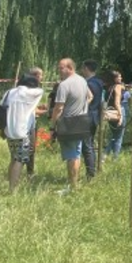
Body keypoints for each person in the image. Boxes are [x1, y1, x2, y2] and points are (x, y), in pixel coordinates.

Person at [50, 58, 91, 191]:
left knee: (71, 155)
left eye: (61, 68)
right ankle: (74, 183)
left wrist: (52, 126)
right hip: (81, 121)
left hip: (68, 123)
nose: (59, 70)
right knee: (77, 153)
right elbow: (89, 96)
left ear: (70, 68)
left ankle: (72, 186)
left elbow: (58, 108)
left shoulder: (64, 85)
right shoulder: (82, 80)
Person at [3, 68, 44, 191]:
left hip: (9, 130)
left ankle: (10, 182)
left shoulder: (9, 93)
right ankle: (12, 188)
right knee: (19, 160)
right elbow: (40, 90)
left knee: (13, 157)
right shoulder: (31, 94)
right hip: (22, 132)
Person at [81, 59, 105, 178]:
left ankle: (90, 173)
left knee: (87, 146)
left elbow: (88, 99)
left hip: (87, 115)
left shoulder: (88, 83)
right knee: (89, 144)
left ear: (86, 68)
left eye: (82, 68)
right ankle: (92, 170)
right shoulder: (99, 82)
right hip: (95, 115)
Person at [105, 70, 128, 160]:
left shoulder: (108, 87)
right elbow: (117, 102)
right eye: (119, 77)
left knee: (114, 135)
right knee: (119, 136)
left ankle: (105, 154)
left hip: (110, 113)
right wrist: (121, 116)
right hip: (118, 111)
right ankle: (114, 157)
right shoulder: (117, 87)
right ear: (114, 78)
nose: (121, 78)